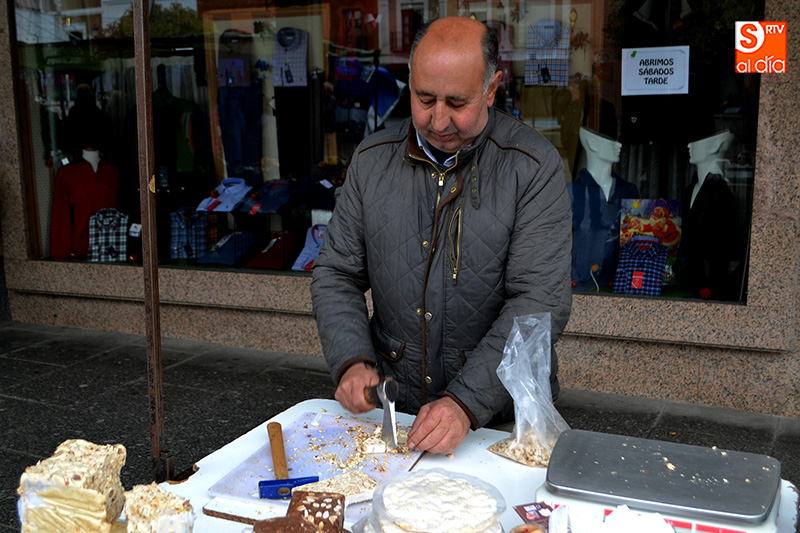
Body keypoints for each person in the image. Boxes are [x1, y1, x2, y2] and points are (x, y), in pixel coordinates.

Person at [310, 17, 572, 454]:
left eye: (457, 102)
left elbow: (538, 303)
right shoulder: (373, 160)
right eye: (424, 98)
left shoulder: (532, 167)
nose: (438, 119)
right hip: (395, 412)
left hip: (500, 420)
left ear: (492, 89)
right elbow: (337, 272)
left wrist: (465, 402)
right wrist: (353, 360)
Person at [568, 127, 638, 291]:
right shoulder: (571, 192)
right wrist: (574, 283)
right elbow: (557, 244)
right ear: (593, 144)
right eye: (612, 141)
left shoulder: (628, 191)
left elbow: (634, 240)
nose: (619, 145)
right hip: (579, 287)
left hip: (621, 287)